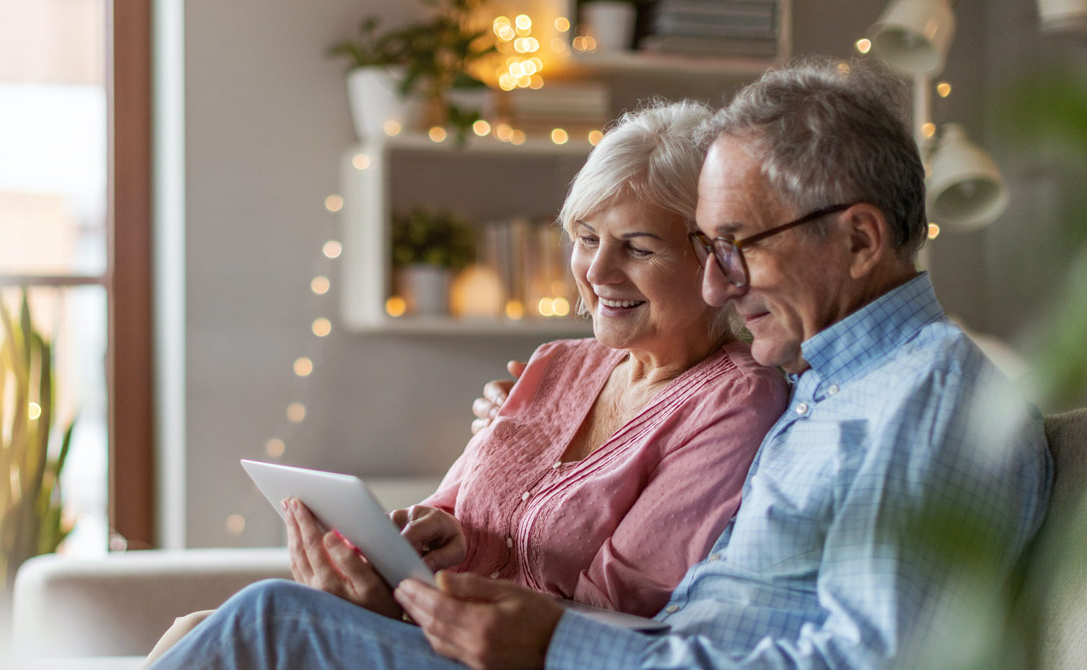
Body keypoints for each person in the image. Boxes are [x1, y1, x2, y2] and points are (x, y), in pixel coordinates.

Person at [148, 56, 1053, 670]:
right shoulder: (830, 388)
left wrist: (558, 647)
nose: (718, 280)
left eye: (737, 245)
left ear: (859, 239)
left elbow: (863, 664)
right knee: (244, 624)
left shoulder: (924, 400)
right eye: (708, 246)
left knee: (269, 622)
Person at [143, 100, 789, 665]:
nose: (596, 271)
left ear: (717, 262)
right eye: (586, 238)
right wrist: (423, 548)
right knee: (191, 630)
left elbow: (619, 607)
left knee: (264, 619)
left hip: (516, 660)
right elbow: (453, 515)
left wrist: (408, 604)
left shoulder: (736, 400)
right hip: (434, 629)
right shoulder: (557, 364)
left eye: (638, 248)